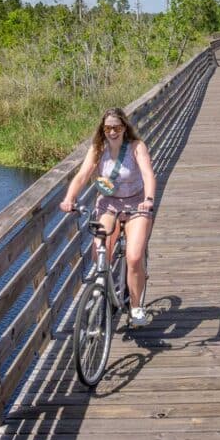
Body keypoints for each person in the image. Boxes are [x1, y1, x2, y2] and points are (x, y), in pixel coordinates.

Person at [60, 107, 156, 327]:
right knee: (100, 254)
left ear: (124, 128)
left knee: (133, 257)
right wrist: (69, 198)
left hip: (135, 204)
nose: (112, 132)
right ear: (102, 129)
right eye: (108, 128)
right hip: (108, 205)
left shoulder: (136, 147)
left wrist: (148, 199)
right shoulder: (97, 148)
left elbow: (148, 174)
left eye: (117, 127)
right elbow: (83, 175)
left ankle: (135, 307)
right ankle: (108, 289)